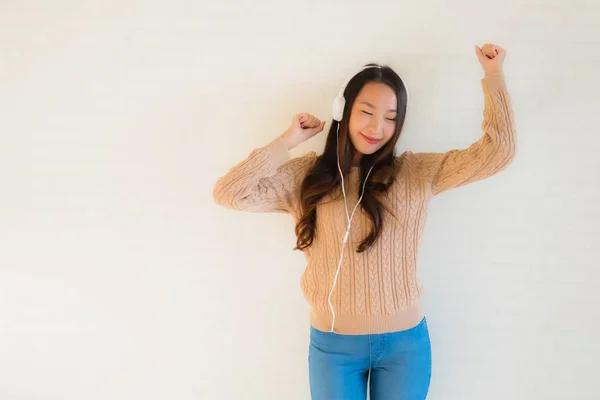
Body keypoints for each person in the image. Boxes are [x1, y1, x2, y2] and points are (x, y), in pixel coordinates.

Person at [212, 43, 516, 400]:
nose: (377, 127)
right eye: (367, 112)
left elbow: (499, 152)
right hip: (333, 348)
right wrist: (289, 139)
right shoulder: (307, 177)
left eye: (390, 117)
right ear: (343, 110)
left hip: (406, 347)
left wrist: (493, 76)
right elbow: (231, 193)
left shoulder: (417, 172)